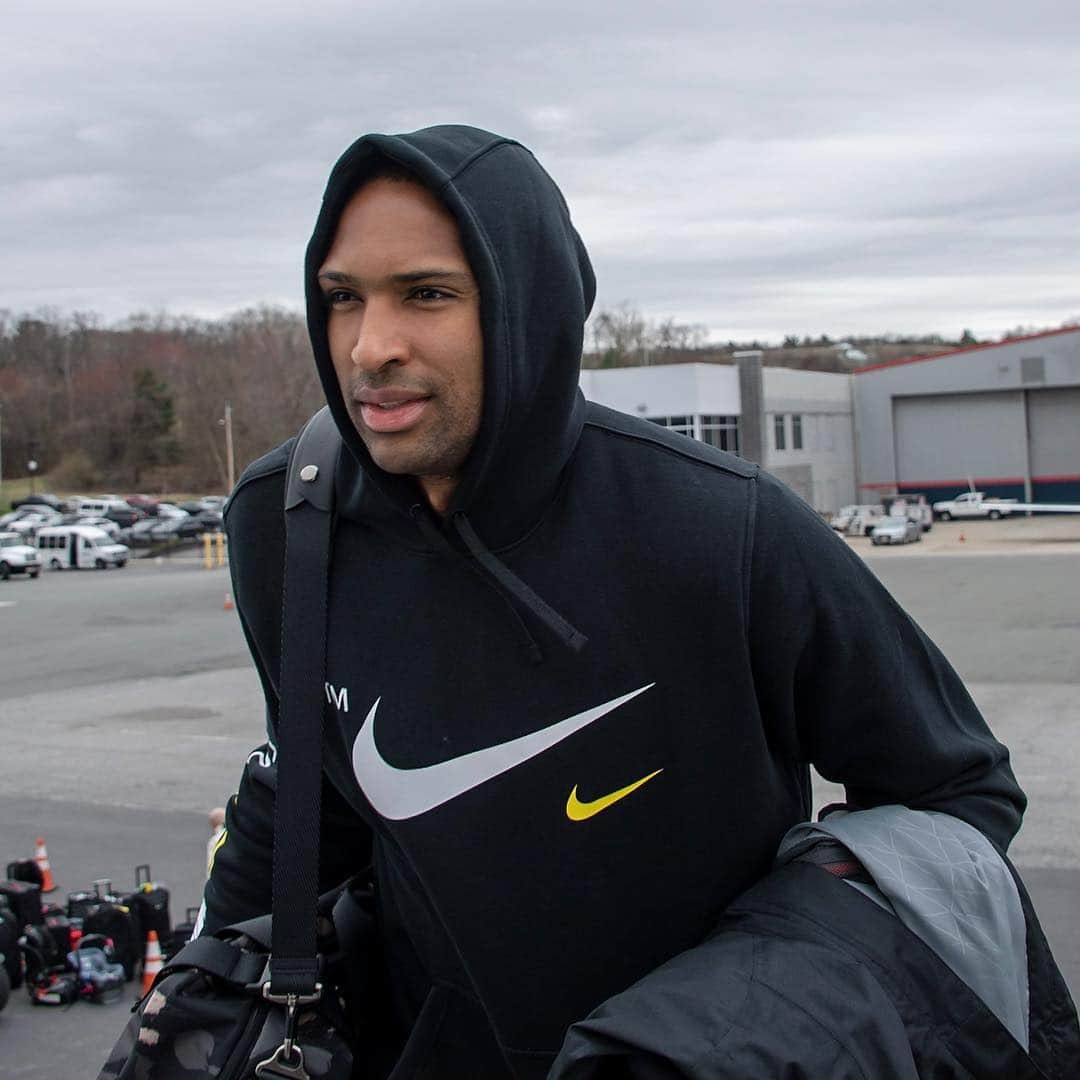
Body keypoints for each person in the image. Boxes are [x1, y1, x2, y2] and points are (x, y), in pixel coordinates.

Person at [201, 125, 1027, 1077]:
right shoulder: (286, 525)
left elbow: (957, 793)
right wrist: (201, 990)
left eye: (427, 294)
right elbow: (316, 794)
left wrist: (747, 1015)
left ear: (526, 308)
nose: (370, 347)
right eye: (343, 298)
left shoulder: (722, 529)